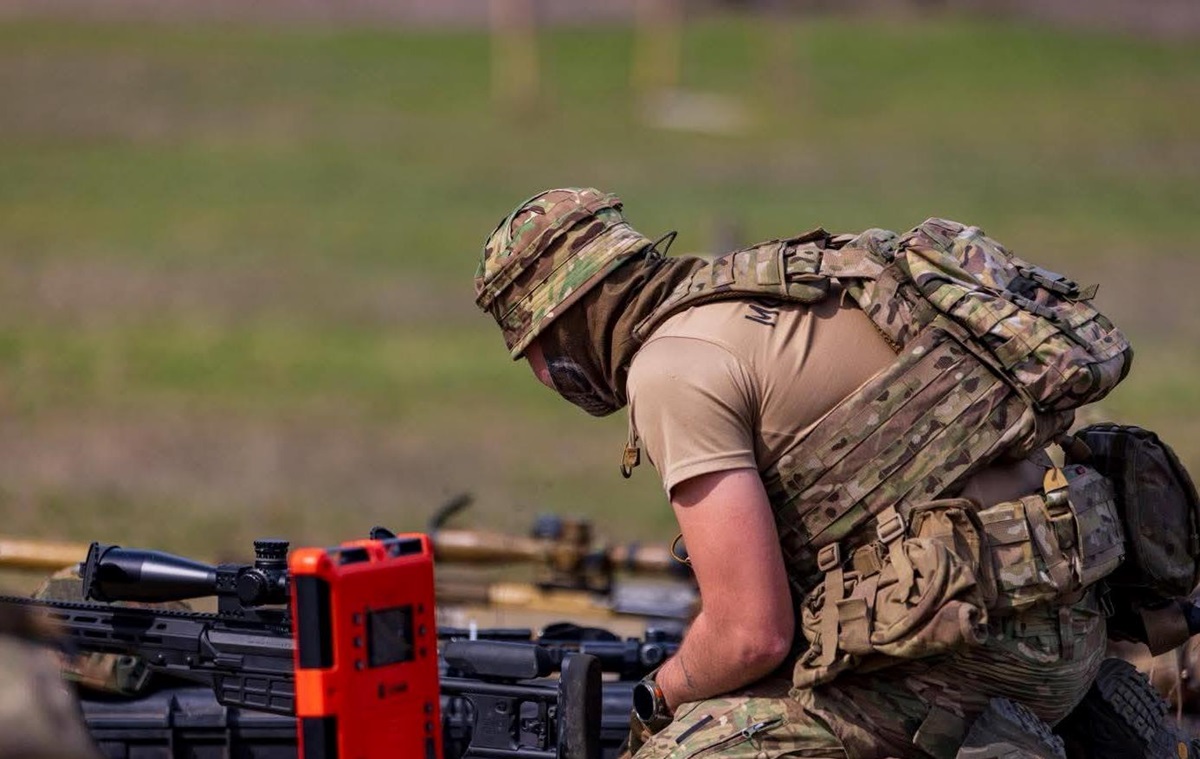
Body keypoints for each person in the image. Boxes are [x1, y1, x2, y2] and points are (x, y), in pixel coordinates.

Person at [474, 188, 1186, 758]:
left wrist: (657, 697)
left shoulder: (670, 370)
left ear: (562, 324)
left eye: (533, 352)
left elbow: (752, 635)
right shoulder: (788, 282)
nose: (543, 375)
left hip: (973, 661)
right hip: (1076, 618)